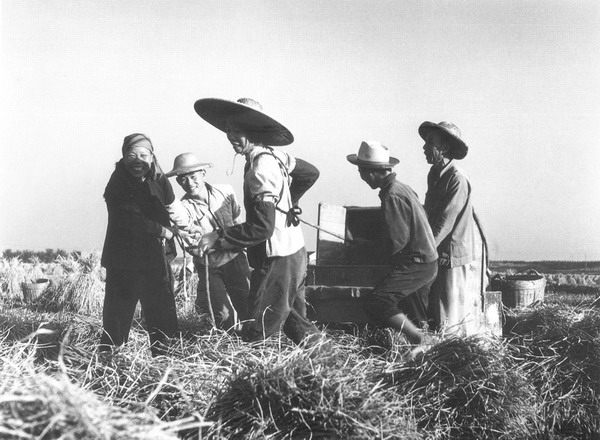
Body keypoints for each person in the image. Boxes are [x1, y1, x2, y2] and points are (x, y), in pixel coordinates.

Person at [193, 97, 324, 346]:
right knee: (293, 320)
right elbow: (309, 173)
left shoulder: (260, 168)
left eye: (238, 130)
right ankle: (327, 362)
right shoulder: (275, 156)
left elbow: (261, 228)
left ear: (254, 130)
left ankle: (252, 364)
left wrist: (218, 237)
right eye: (228, 130)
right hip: (294, 251)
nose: (231, 136)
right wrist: (287, 204)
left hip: (277, 257)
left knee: (259, 325)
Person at [346, 141, 438, 348]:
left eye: (361, 172)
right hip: (428, 262)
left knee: (377, 302)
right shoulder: (403, 188)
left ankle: (419, 340)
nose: (361, 177)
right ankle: (425, 349)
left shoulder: (392, 195)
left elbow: (396, 243)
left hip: (416, 264)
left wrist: (363, 246)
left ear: (370, 172)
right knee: (416, 316)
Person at [100, 133, 180, 356]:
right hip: (124, 261)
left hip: (155, 259)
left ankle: (165, 361)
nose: (138, 161)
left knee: (162, 313)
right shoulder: (117, 183)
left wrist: (187, 228)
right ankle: (110, 361)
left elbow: (173, 207)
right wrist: (165, 231)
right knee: (117, 317)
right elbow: (130, 219)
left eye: (143, 155)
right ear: (123, 158)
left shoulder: (159, 178)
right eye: (131, 155)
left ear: (152, 157)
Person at [166, 152, 251, 330]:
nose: (189, 183)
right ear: (178, 182)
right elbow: (193, 248)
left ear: (203, 173)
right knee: (223, 315)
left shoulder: (226, 191)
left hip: (236, 260)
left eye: (193, 176)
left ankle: (252, 340)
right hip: (210, 267)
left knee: (247, 307)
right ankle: (228, 342)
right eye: (183, 179)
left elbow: (238, 221)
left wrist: (238, 244)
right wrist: (223, 242)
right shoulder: (183, 210)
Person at [419, 121, 488, 335]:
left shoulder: (457, 179)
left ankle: (454, 347)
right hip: (437, 250)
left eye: (430, 142)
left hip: (452, 254)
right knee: (437, 310)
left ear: (445, 148)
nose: (424, 147)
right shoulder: (434, 174)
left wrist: (424, 251)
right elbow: (429, 213)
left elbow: (445, 222)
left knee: (450, 314)